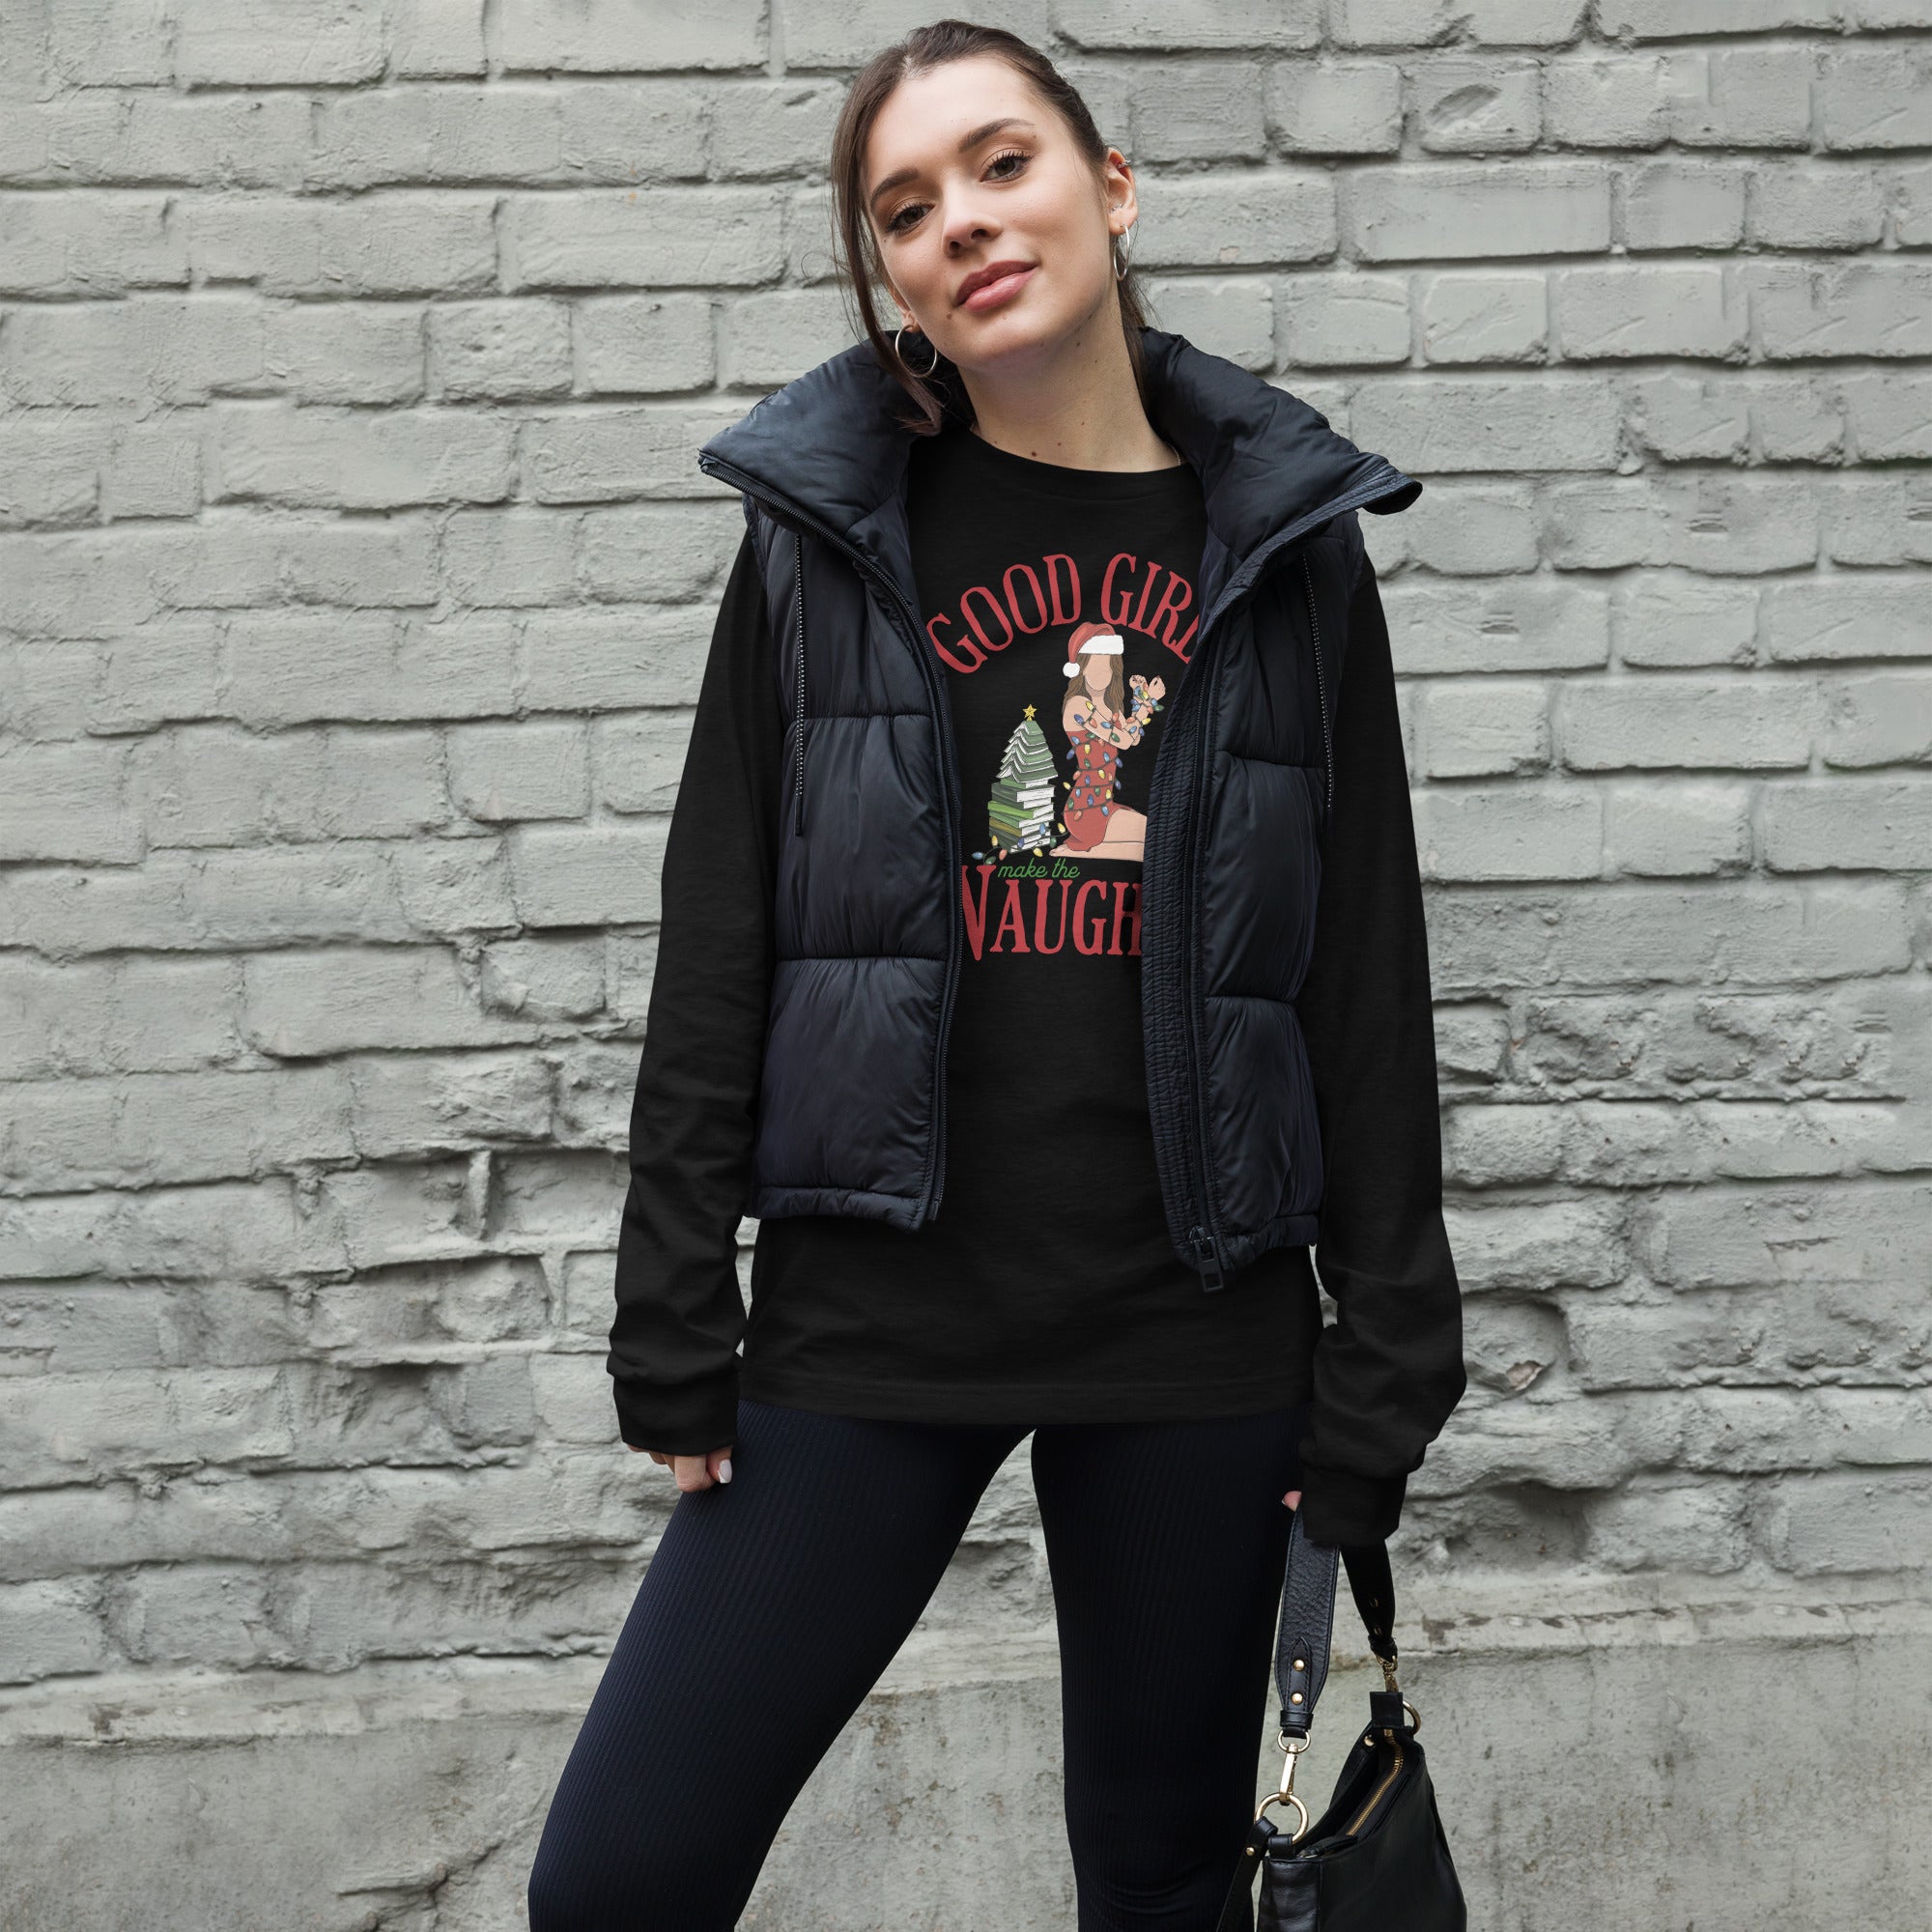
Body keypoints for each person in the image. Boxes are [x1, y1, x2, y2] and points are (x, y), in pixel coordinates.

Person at [526, 20, 1465, 1932]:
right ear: (889, 275)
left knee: (1159, 1884)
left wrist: (1388, 1358)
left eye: (1001, 162)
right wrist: (671, 1296)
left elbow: (1364, 972)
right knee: (617, 1881)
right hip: (875, 1315)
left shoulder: (1282, 549)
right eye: (904, 207)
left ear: (1110, 189)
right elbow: (723, 927)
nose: (960, 219)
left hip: (1195, 1331)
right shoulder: (824, 539)